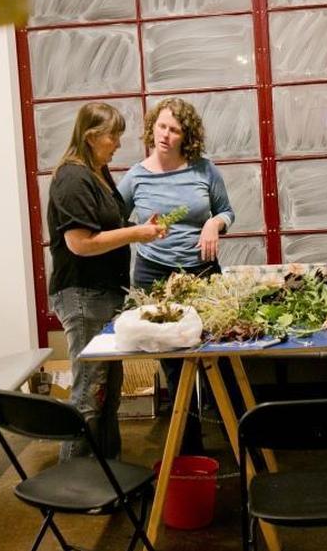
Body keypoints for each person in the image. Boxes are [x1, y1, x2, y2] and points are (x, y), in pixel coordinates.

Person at [47, 102, 165, 461]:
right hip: (83, 295)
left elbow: (108, 226)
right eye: (112, 136)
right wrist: (136, 234)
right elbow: (80, 243)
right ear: (91, 136)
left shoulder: (97, 173)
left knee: (108, 394)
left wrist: (139, 227)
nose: (117, 143)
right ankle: (72, 479)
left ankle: (107, 474)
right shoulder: (72, 178)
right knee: (89, 392)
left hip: (104, 293)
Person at [117, 97, 235, 454]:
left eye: (175, 130)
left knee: (218, 357)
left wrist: (214, 223)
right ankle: (189, 452)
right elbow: (113, 221)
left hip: (201, 272)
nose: (166, 135)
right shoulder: (136, 176)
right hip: (153, 275)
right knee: (174, 366)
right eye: (162, 126)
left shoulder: (203, 170)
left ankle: (241, 443)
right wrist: (139, 232)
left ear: (187, 136)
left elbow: (227, 211)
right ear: (152, 127)